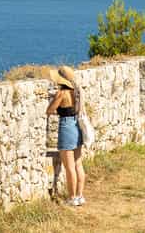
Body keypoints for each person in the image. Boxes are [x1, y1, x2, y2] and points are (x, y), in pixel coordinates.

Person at [47, 65, 86, 206]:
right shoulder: (77, 91)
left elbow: (50, 110)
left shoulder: (61, 94)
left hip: (66, 127)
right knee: (78, 164)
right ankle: (80, 196)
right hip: (77, 126)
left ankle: (72, 198)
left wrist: (53, 100)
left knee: (69, 167)